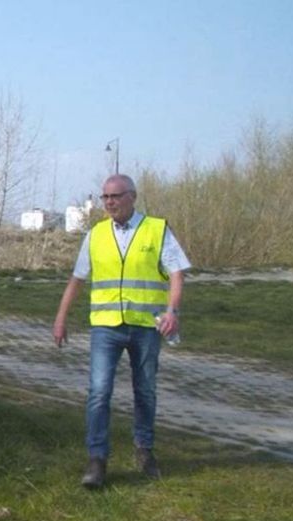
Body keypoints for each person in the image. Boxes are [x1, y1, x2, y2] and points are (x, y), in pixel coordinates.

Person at [53, 174, 190, 489]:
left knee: (145, 391)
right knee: (99, 392)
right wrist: (61, 318)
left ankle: (144, 450)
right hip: (106, 327)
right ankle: (97, 460)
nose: (109, 202)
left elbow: (177, 274)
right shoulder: (96, 234)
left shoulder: (157, 229)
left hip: (145, 327)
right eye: (105, 197)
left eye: (115, 196)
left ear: (133, 196)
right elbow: (77, 279)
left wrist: (173, 311)